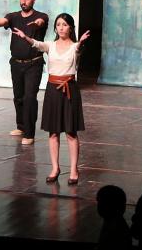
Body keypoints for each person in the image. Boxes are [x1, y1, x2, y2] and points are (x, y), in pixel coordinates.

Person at [12, 13, 90, 183]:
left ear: (71, 28)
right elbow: (36, 44)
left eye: (65, 24)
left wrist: (81, 42)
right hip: (53, 90)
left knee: (71, 132)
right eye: (59, 24)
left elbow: (78, 48)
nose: (61, 27)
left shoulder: (74, 47)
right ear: (55, 28)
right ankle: (55, 168)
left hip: (69, 90)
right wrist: (25, 37)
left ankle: (74, 170)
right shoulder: (51, 46)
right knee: (53, 132)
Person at [0, 0, 49, 145]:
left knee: (29, 98)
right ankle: (21, 126)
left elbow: (41, 22)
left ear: (33, 0)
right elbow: (3, 22)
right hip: (16, 64)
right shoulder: (13, 16)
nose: (23, 2)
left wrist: (37, 23)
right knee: (18, 97)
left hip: (34, 64)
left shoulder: (41, 16)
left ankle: (29, 134)